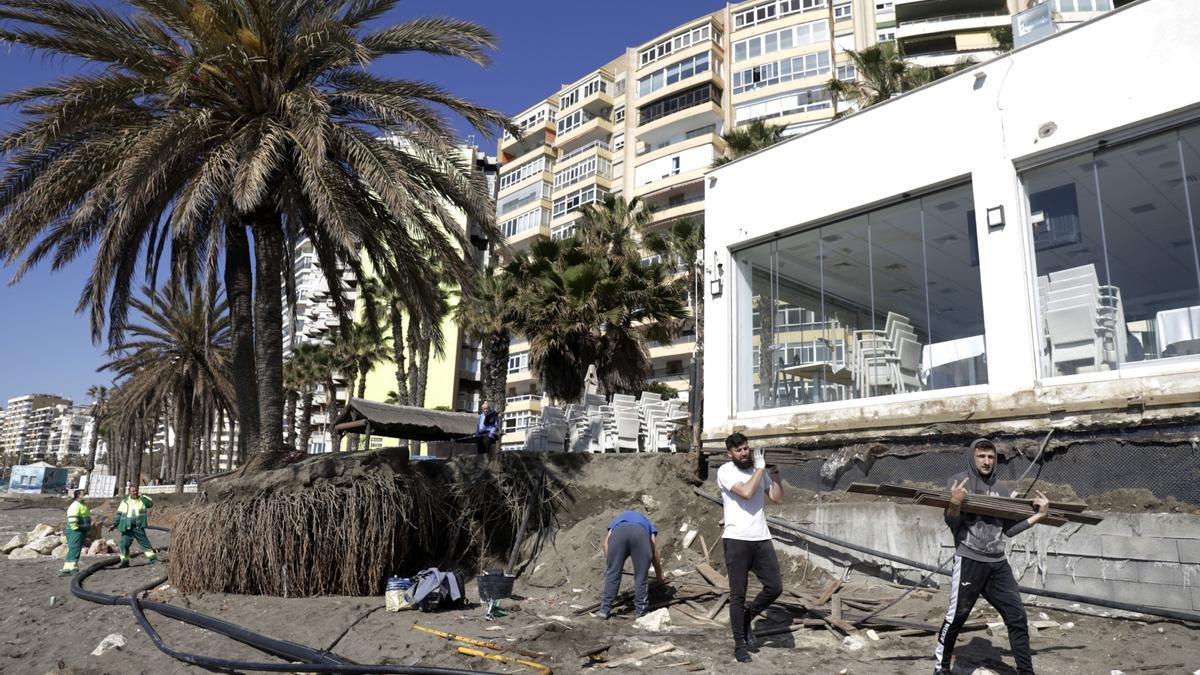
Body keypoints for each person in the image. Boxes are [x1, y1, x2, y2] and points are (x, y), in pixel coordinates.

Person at [934, 438, 1051, 675]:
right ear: (972, 457)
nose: (986, 461)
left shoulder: (1002, 489)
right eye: (981, 456)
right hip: (969, 560)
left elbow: (1008, 530)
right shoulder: (959, 482)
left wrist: (1039, 517)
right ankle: (941, 668)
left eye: (990, 457)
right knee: (956, 618)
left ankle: (1026, 672)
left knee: (1017, 617)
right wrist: (954, 503)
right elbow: (952, 522)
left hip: (997, 564)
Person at [718, 433, 784, 664]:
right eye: (739, 450)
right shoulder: (725, 471)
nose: (744, 453)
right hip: (736, 539)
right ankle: (739, 644)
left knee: (775, 586)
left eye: (746, 449)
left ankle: (748, 616)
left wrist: (774, 475)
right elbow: (746, 492)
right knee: (738, 594)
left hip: (761, 538)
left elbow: (776, 498)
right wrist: (760, 469)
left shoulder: (759, 470)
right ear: (730, 453)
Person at [596, 510, 664, 619]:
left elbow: (605, 545)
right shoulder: (648, 523)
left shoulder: (618, 521)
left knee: (613, 574)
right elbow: (654, 552)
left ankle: (604, 610)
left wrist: (613, 564)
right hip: (640, 534)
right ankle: (641, 611)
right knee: (641, 576)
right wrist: (659, 574)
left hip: (619, 533)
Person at [112, 485, 159, 567]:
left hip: (138, 527)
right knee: (123, 545)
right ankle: (124, 562)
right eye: (133, 491)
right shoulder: (125, 501)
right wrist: (114, 524)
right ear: (129, 492)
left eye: (136, 491)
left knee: (145, 544)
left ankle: (153, 560)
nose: (135, 492)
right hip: (128, 527)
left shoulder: (142, 500)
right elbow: (119, 513)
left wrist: (143, 496)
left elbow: (150, 504)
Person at [60, 489, 91, 577]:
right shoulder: (75, 506)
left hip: (80, 530)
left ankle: (67, 568)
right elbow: (73, 519)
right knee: (75, 549)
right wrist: (76, 529)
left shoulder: (82, 505)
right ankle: (73, 568)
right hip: (76, 531)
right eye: (83, 494)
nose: (85, 496)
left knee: (73, 549)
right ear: (78, 496)